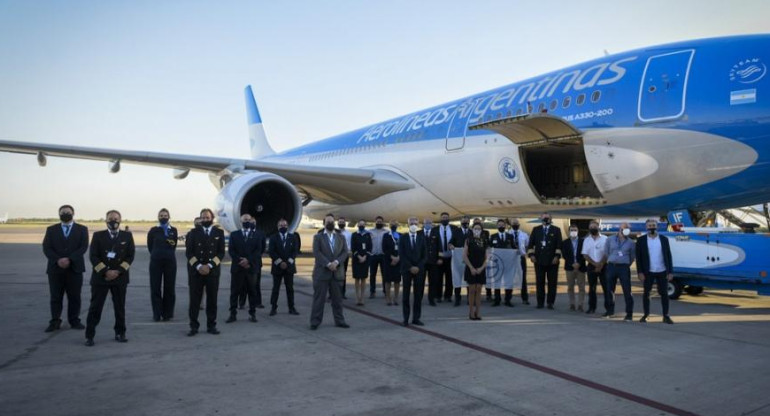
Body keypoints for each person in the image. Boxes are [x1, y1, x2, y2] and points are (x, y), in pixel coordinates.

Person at [85, 210, 135, 346]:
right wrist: (106, 271)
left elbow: (130, 256)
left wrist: (118, 271)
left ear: (120, 220)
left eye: (116, 218)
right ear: (106, 220)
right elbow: (93, 256)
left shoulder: (127, 236)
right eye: (110, 218)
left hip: (120, 278)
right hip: (101, 278)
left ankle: (120, 332)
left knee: (120, 308)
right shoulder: (98, 235)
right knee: (95, 307)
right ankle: (89, 335)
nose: (113, 221)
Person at [42, 204, 89, 332]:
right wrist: (58, 259)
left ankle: (74, 320)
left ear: (73, 213)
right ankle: (55, 321)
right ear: (59, 214)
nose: (65, 214)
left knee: (74, 296)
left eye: (67, 212)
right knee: (56, 297)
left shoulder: (82, 229)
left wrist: (69, 259)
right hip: (55, 268)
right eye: (62, 212)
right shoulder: (51, 229)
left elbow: (83, 247)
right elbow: (46, 247)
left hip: (74, 268)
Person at [185, 208, 225, 336]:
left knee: (212, 300)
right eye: (203, 217)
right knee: (195, 301)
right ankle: (194, 326)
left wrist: (209, 265)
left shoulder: (219, 232)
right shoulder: (193, 232)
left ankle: (211, 325)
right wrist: (198, 266)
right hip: (197, 272)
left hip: (212, 272)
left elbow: (221, 253)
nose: (205, 219)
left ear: (212, 218)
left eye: (208, 217)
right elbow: (189, 253)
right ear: (200, 219)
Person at [310, 214, 349, 330]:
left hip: (336, 273)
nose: (330, 223)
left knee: (338, 300)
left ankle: (340, 321)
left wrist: (336, 262)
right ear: (324, 223)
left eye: (332, 221)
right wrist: (328, 264)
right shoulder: (318, 237)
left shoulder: (341, 237)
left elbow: (345, 252)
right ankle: (315, 322)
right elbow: (317, 253)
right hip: (322, 273)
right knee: (319, 300)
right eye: (328, 222)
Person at [226, 214, 265, 323]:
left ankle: (252, 314)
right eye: (245, 220)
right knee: (234, 292)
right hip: (237, 268)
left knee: (252, 291)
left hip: (251, 268)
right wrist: (240, 260)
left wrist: (248, 260)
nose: (247, 222)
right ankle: (232, 314)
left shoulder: (257, 235)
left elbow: (258, 251)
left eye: (248, 220)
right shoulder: (234, 235)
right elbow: (231, 251)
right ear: (240, 221)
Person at [636, 219, 675, 324]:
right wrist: (639, 272)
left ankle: (666, 316)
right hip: (648, 271)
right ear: (646, 227)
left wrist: (670, 271)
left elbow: (668, 256)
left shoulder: (664, 239)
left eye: (653, 225)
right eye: (649, 225)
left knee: (664, 294)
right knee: (646, 294)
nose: (651, 227)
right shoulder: (641, 240)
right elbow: (638, 258)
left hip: (662, 271)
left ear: (657, 226)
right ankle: (646, 315)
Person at [147, 208, 178, 322]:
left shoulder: (173, 230)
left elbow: (173, 245)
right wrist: (157, 254)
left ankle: (167, 313)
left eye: (165, 215)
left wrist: (166, 254)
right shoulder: (153, 230)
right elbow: (150, 246)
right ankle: (157, 313)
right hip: (156, 262)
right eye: (161, 215)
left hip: (170, 262)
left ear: (169, 217)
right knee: (155, 287)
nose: (163, 217)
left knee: (169, 288)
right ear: (158, 217)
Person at [527, 213, 563, 309]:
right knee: (539, 282)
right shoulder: (536, 229)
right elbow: (530, 245)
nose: (546, 219)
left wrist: (557, 257)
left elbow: (559, 245)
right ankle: (540, 302)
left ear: (551, 219)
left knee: (552, 283)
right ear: (540, 219)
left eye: (547, 217)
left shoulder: (556, 230)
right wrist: (531, 255)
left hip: (552, 261)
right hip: (539, 261)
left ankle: (550, 302)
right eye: (544, 217)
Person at [268, 218, 300, 316]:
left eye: (285, 225)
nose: (283, 227)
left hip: (289, 267)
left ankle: (291, 307)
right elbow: (271, 252)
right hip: (277, 267)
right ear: (278, 227)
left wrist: (288, 262)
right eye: (281, 226)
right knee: (275, 289)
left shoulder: (293, 237)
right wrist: (280, 262)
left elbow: (295, 251)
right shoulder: (273, 238)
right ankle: (273, 308)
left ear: (287, 226)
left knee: (290, 289)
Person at [605, 222, 636, 320]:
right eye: (625, 227)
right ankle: (609, 311)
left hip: (624, 268)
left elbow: (632, 257)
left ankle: (629, 313)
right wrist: (613, 260)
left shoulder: (631, 242)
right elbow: (606, 252)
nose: (627, 229)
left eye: (628, 228)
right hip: (611, 266)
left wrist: (625, 264)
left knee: (627, 290)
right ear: (620, 229)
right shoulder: (610, 239)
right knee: (609, 290)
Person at [399, 217, 426, 326]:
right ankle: (405, 318)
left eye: (415, 223)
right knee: (406, 295)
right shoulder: (403, 237)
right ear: (408, 224)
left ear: (418, 224)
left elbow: (425, 255)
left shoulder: (422, 238)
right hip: (407, 269)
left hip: (419, 270)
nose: (413, 224)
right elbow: (402, 254)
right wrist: (410, 267)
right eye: (411, 223)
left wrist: (418, 267)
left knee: (418, 295)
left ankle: (416, 317)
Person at [464, 222, 490, 320]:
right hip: (471, 267)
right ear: (472, 229)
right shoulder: (468, 240)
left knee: (479, 290)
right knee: (472, 290)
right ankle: (471, 311)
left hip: (480, 267)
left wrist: (481, 268)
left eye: (479, 229)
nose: (477, 230)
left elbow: (487, 257)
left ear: (482, 230)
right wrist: (471, 267)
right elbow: (465, 255)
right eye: (475, 228)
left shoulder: (485, 241)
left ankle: (478, 311)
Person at [581, 220, 607, 315]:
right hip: (591, 266)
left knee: (606, 288)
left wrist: (601, 264)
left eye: (595, 227)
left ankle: (608, 308)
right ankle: (592, 307)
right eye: (591, 227)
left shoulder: (605, 239)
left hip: (604, 266)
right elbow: (585, 254)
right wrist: (594, 264)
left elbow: (607, 253)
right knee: (592, 289)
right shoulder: (586, 240)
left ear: (598, 227)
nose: (593, 229)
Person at [434, 212, 460, 304]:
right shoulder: (435, 229)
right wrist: (438, 257)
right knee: (438, 278)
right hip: (439, 258)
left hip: (451, 257)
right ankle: (438, 296)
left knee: (450, 277)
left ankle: (448, 296)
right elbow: (434, 245)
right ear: (440, 218)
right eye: (443, 217)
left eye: (446, 217)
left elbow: (457, 241)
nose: (445, 219)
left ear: (449, 219)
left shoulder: (455, 229)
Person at [561, 224, 586, 312]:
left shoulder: (583, 241)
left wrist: (579, 263)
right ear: (569, 231)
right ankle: (572, 304)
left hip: (581, 267)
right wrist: (572, 263)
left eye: (575, 230)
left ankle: (580, 304)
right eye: (572, 230)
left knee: (581, 287)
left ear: (578, 231)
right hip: (569, 267)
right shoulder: (565, 242)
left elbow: (585, 254)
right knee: (570, 287)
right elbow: (564, 255)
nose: (573, 232)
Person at [489, 219, 514, 307]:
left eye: (502, 225)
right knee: (497, 281)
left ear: (505, 226)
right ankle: (497, 299)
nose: (501, 226)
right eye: (499, 225)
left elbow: (513, 248)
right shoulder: (493, 236)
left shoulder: (510, 236)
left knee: (508, 281)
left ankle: (508, 300)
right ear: (497, 226)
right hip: (497, 263)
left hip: (508, 263)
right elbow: (489, 248)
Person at [449, 215, 472, 306]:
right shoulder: (456, 231)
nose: (465, 223)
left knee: (468, 279)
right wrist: (450, 245)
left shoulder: (471, 232)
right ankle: (457, 299)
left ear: (469, 222)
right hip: (458, 259)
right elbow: (451, 242)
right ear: (460, 222)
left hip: (469, 259)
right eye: (463, 222)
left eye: (467, 222)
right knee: (457, 277)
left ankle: (469, 299)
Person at [508, 218, 530, 305]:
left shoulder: (524, 235)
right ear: (511, 225)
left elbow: (528, 245)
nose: (515, 224)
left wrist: (525, 253)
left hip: (521, 257)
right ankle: (508, 298)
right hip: (511, 258)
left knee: (523, 278)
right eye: (514, 223)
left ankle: (525, 298)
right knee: (509, 278)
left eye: (516, 223)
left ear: (519, 224)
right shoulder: (508, 234)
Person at [350, 219, 372, 306]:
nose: (361, 226)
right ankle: (357, 297)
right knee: (357, 278)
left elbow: (370, 247)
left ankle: (362, 298)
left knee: (363, 278)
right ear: (357, 225)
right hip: (356, 259)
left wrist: (365, 256)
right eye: (360, 224)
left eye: (363, 224)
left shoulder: (367, 235)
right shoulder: (354, 235)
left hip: (365, 259)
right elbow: (353, 248)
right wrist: (359, 256)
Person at [382, 220, 402, 306]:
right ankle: (388, 298)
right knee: (388, 281)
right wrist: (392, 257)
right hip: (388, 261)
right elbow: (384, 248)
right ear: (389, 225)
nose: (393, 225)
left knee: (397, 281)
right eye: (392, 224)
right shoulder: (386, 235)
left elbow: (403, 248)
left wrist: (398, 258)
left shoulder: (400, 235)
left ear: (397, 225)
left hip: (398, 261)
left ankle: (396, 298)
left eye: (395, 224)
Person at [368, 216, 388, 299]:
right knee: (372, 274)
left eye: (380, 221)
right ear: (375, 222)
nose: (379, 223)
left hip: (383, 256)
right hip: (373, 256)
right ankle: (372, 292)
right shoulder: (370, 232)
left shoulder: (386, 232)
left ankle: (385, 291)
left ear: (383, 222)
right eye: (378, 221)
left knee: (385, 274)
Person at [423, 218, 440, 306]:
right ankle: (419, 298)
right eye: (426, 223)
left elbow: (439, 246)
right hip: (422, 262)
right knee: (420, 281)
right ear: (423, 223)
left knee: (433, 281)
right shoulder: (419, 233)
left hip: (433, 261)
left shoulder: (435, 233)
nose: (428, 224)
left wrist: (440, 258)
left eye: (430, 223)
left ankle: (431, 299)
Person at [337, 216, 352, 299]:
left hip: (344, 256)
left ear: (345, 223)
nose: (341, 223)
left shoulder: (349, 234)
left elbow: (349, 246)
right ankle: (332, 293)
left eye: (342, 222)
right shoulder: (334, 233)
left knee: (343, 275)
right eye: (340, 222)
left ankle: (342, 293)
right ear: (337, 223)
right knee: (333, 275)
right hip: (335, 256)